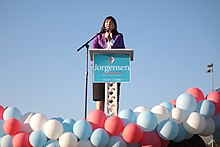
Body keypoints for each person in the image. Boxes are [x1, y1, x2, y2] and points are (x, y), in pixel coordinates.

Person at [91, 16, 125, 111]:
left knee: (113, 99)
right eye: (106, 22)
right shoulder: (98, 36)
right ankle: (99, 118)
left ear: (114, 25)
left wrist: (110, 40)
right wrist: (105, 39)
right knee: (99, 98)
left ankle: (113, 121)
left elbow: (122, 50)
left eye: (111, 22)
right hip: (100, 70)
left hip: (114, 71)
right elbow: (93, 50)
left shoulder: (119, 36)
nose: (108, 24)